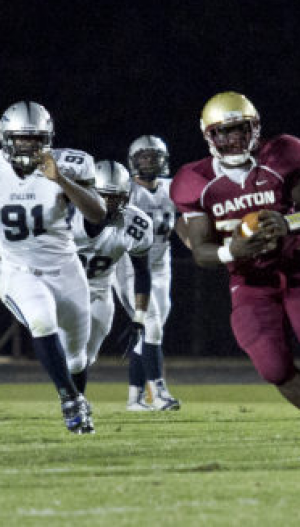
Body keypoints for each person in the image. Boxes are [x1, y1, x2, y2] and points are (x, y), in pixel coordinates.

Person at [171, 91, 300, 446]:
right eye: (223, 132)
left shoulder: (281, 157)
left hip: (297, 269)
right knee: (272, 366)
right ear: (208, 136)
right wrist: (232, 250)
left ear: (255, 129)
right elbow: (201, 250)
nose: (232, 140)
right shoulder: (195, 182)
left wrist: (289, 222)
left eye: (239, 130)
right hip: (248, 282)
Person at [0, 101, 106, 433]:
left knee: (77, 356)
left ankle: (78, 408)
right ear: (6, 139)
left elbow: (98, 214)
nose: (28, 146)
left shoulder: (69, 164)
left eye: (35, 139)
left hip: (66, 269)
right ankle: (69, 401)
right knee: (41, 319)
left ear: (47, 139)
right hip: (19, 271)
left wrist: (61, 179)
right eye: (21, 139)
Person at [72, 160, 154, 401]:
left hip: (98, 291)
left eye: (116, 196)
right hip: (59, 286)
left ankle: (75, 402)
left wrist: (138, 317)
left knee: (84, 358)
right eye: (103, 195)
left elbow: (142, 272)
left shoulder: (135, 224)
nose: (109, 203)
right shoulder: (65, 215)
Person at [112, 135, 183, 410]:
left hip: (161, 266)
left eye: (155, 157)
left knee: (151, 333)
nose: (150, 162)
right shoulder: (127, 191)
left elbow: (184, 222)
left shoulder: (171, 188)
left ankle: (135, 398)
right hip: (130, 267)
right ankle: (159, 392)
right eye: (144, 157)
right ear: (133, 161)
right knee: (150, 325)